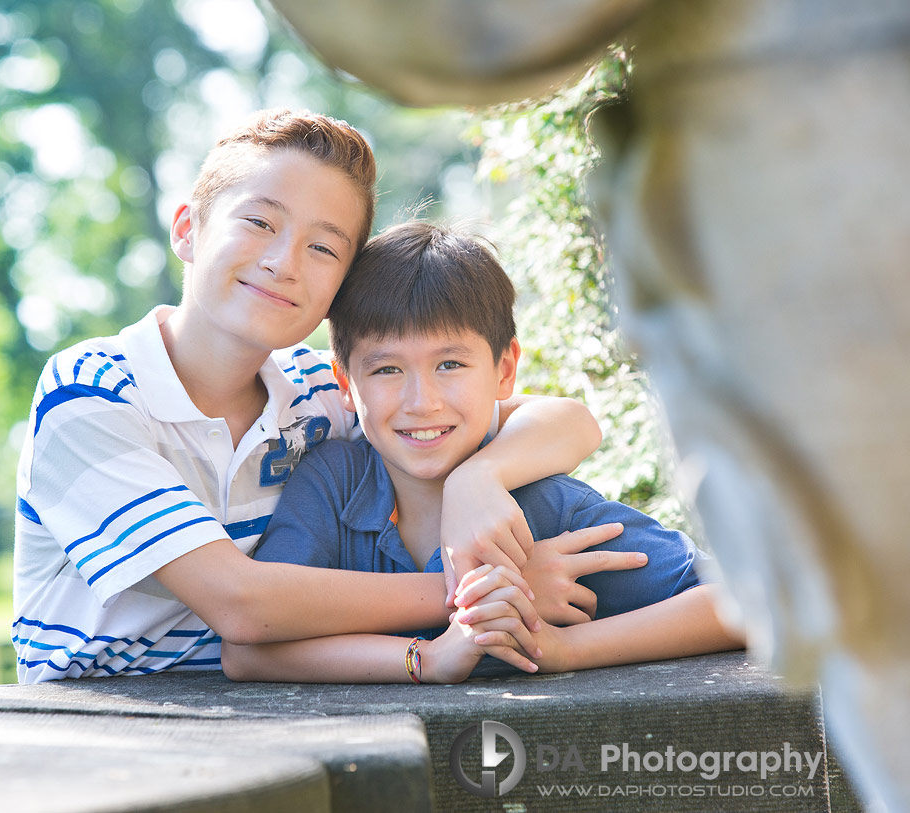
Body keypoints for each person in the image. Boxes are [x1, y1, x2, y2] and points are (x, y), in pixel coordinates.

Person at [11, 109, 626, 683]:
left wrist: (480, 478)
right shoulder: (93, 393)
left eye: (323, 247)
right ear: (187, 230)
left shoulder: (317, 392)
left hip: (289, 700)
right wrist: (484, 588)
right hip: (98, 712)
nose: (284, 262)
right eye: (258, 222)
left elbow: (567, 421)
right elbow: (239, 604)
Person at [222, 222, 745, 683]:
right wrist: (425, 658)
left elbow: (748, 601)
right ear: (345, 383)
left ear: (504, 369)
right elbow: (248, 654)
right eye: (386, 370)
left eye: (450, 364)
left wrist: (561, 648)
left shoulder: (548, 506)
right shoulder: (332, 483)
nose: (420, 403)